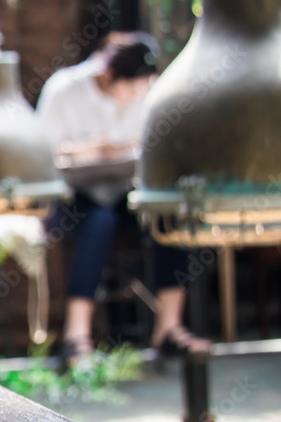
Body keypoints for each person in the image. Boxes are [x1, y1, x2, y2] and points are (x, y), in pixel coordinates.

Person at [37, 31, 211, 362]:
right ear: (107, 75)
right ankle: (77, 334)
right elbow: (41, 155)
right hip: (77, 196)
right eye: (130, 89)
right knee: (98, 222)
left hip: (126, 189)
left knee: (167, 217)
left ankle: (169, 328)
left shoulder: (149, 92)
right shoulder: (65, 89)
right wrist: (90, 150)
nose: (135, 96)